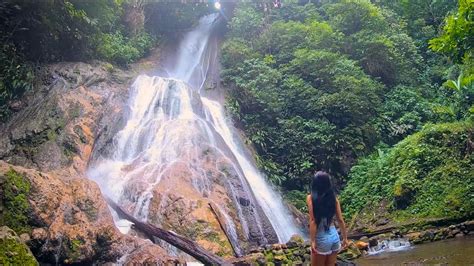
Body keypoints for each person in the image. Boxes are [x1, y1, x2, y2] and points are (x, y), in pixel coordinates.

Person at [307, 171, 349, 266]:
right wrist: (345, 238)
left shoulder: (310, 198)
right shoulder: (334, 199)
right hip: (334, 237)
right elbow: (340, 220)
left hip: (321, 239)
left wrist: (313, 241)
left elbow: (313, 221)